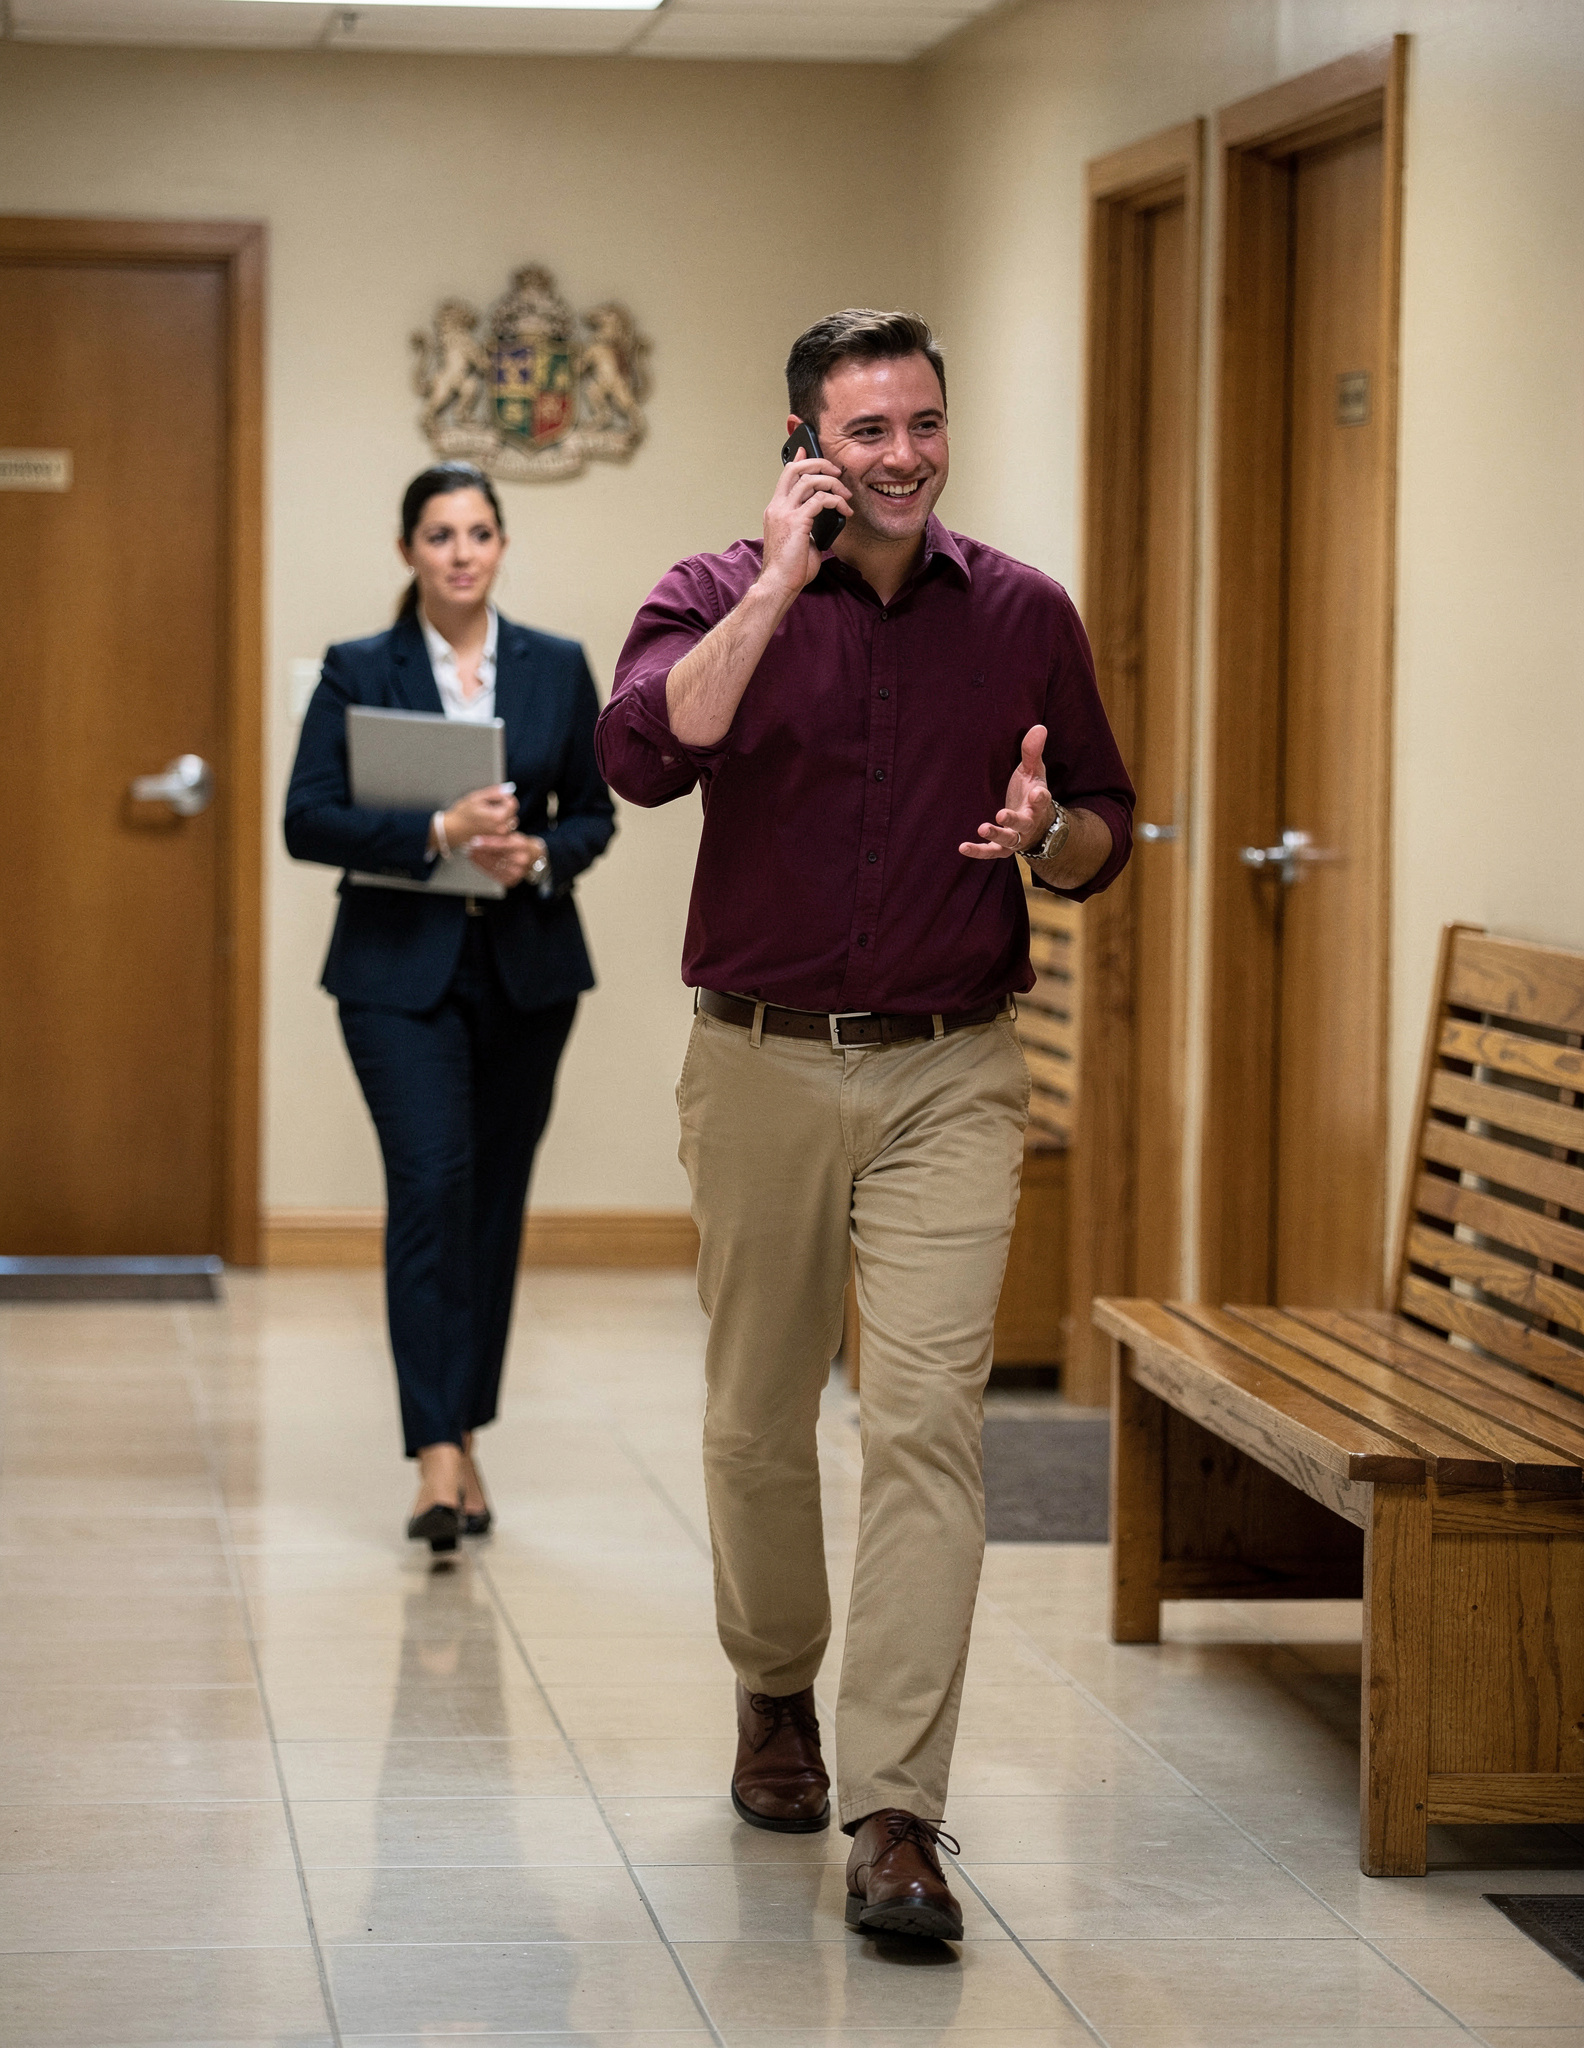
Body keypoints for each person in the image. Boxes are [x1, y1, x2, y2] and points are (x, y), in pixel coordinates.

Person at [596, 311, 1132, 1940]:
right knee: (759, 1413)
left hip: (950, 1070)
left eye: (923, 424)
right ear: (803, 443)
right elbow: (641, 757)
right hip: (757, 1061)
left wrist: (1048, 836)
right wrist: (776, 580)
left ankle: (897, 1808)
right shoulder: (709, 590)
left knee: (923, 1427)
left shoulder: (1023, 611)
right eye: (868, 431)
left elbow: (1107, 827)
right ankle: (775, 1690)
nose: (904, 457)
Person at [285, 462, 615, 1553]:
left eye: (478, 532)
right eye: (439, 534)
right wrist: (435, 832)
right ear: (408, 551)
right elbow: (307, 820)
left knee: (491, 1204)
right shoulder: (358, 668)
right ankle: (434, 1452)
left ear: (502, 545)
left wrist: (537, 855)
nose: (461, 552)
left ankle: (465, 1431)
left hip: (527, 973)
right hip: (395, 976)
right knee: (430, 1186)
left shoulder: (556, 665)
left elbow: (594, 815)